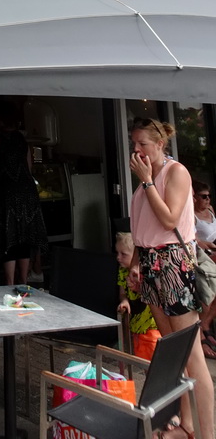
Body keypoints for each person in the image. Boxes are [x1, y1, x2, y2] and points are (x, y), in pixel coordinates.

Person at [129, 117, 214, 439]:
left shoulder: (174, 172)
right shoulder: (144, 179)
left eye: (143, 144)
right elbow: (142, 231)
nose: (136, 150)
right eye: (134, 144)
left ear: (160, 145)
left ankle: (207, 433)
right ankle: (186, 424)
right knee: (172, 354)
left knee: (192, 356)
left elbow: (168, 219)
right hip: (152, 265)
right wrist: (136, 264)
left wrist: (148, 181)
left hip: (173, 265)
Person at [0, 100, 48, 285]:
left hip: (4, 193)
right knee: (23, 237)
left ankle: (10, 283)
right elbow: (29, 165)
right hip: (26, 192)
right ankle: (23, 280)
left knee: (7, 236)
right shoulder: (21, 138)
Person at [115, 231, 161, 360]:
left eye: (123, 254)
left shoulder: (145, 271)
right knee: (141, 357)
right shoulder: (122, 271)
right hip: (135, 325)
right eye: (117, 253)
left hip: (151, 326)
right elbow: (122, 292)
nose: (118, 257)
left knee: (154, 358)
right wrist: (124, 301)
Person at [191, 180, 216, 354]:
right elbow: (193, 240)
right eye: (203, 196)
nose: (207, 200)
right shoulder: (191, 215)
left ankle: (206, 324)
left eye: (209, 196)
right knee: (208, 293)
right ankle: (201, 329)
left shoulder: (211, 210)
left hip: (214, 252)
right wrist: (206, 244)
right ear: (194, 198)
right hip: (203, 255)